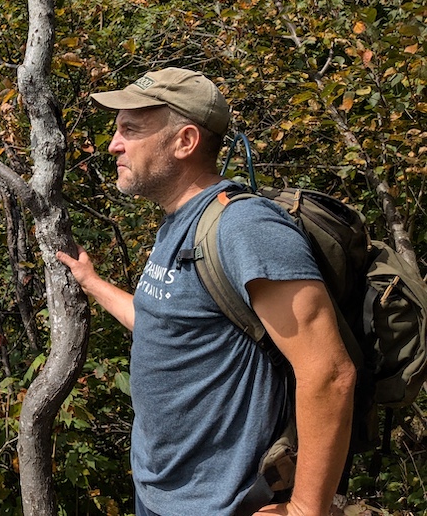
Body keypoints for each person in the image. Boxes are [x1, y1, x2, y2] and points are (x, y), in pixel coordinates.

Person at [56, 68, 356, 516]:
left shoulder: (245, 228)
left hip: (221, 502)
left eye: (130, 130)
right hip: (158, 492)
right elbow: (166, 325)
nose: (114, 144)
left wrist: (304, 510)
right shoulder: (179, 223)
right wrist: (92, 283)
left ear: (185, 141)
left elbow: (330, 373)